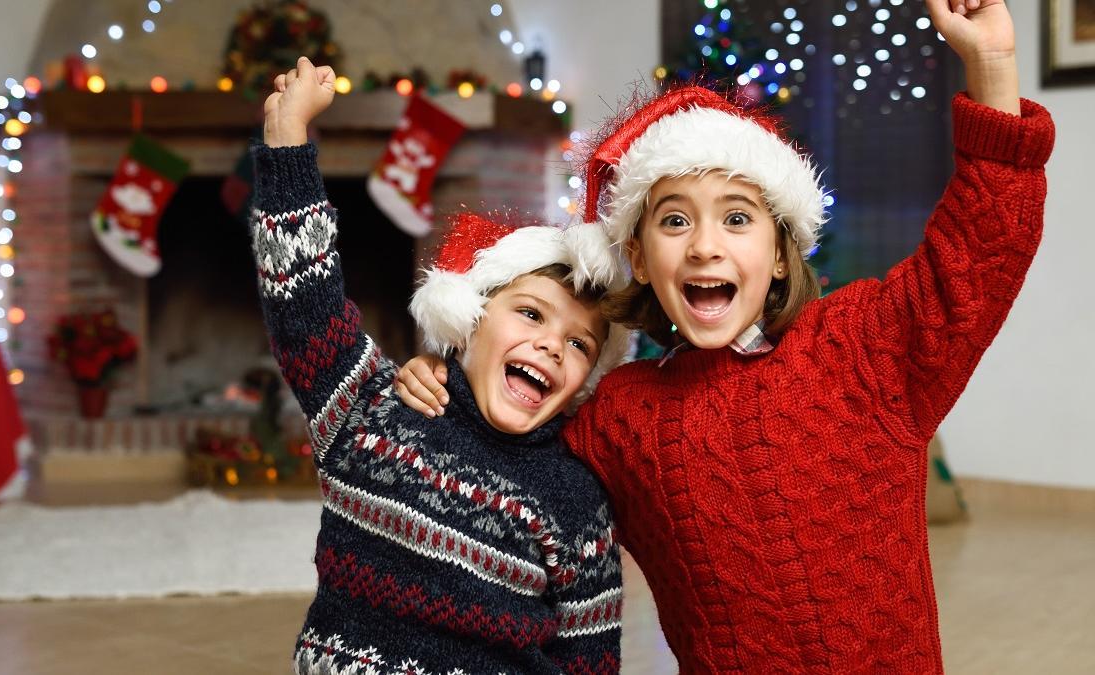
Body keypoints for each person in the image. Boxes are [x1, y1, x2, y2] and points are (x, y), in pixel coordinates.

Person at [394, 1, 1055, 670]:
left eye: (736, 219)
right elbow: (514, 447)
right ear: (641, 259)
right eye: (675, 222)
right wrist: (441, 380)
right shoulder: (623, 418)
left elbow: (982, 245)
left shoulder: (862, 348)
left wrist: (991, 64)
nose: (705, 246)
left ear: (778, 253)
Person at [254, 56, 630, 673]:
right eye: (531, 315)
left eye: (580, 344)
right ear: (471, 321)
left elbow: (589, 656)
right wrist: (287, 144)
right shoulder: (374, 412)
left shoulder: (573, 498)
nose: (551, 346)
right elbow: (304, 304)